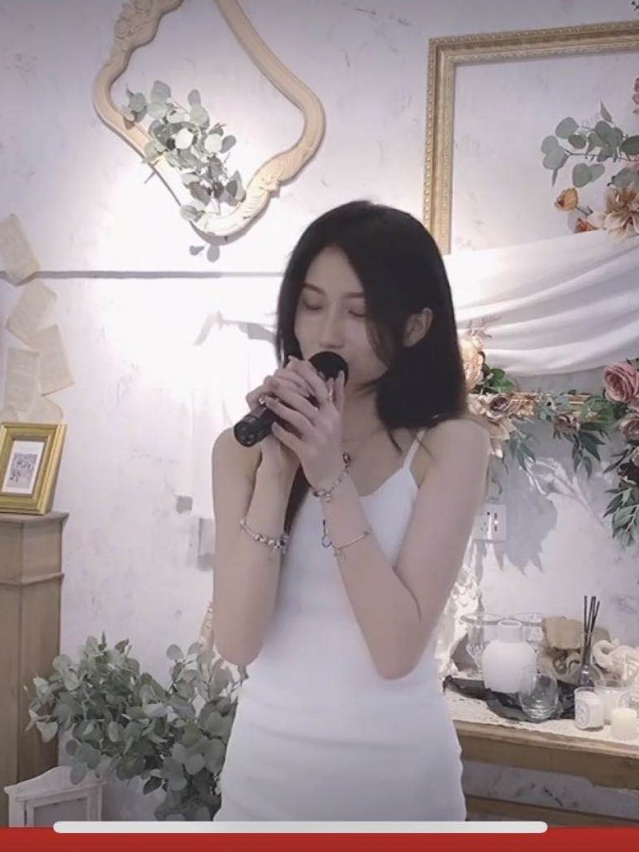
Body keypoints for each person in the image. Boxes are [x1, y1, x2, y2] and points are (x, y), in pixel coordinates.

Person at [208, 200, 490, 821]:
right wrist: (277, 474)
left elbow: (395, 650)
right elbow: (237, 641)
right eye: (311, 305)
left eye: (359, 313)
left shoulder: (449, 447)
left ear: (415, 326)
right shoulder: (240, 452)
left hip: (398, 789)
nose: (328, 333)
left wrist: (331, 479)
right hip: (264, 782)